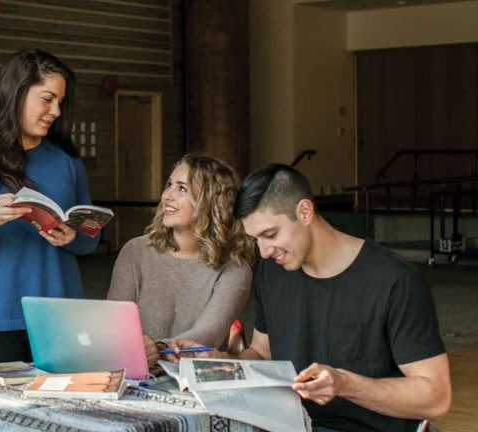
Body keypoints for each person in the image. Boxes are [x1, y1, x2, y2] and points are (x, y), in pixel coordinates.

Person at [170, 164, 451, 432]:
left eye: (270, 234)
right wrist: (220, 362)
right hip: (287, 423)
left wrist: (343, 384)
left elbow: (436, 397)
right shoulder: (273, 272)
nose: (264, 252)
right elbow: (263, 353)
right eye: (256, 240)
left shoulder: (395, 280)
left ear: (304, 212)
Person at [0, 49, 100, 370]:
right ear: (17, 93)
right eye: (47, 99)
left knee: (69, 416)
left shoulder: (67, 161)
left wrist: (72, 237)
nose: (55, 111)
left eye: (60, 102)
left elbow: (89, 240)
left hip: (63, 318)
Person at [107, 154, 254, 367]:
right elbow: (113, 324)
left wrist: (157, 348)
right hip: (133, 371)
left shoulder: (235, 267)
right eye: (169, 185)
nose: (167, 195)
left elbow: (207, 334)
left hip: (195, 377)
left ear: (212, 201)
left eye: (182, 188)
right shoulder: (134, 251)